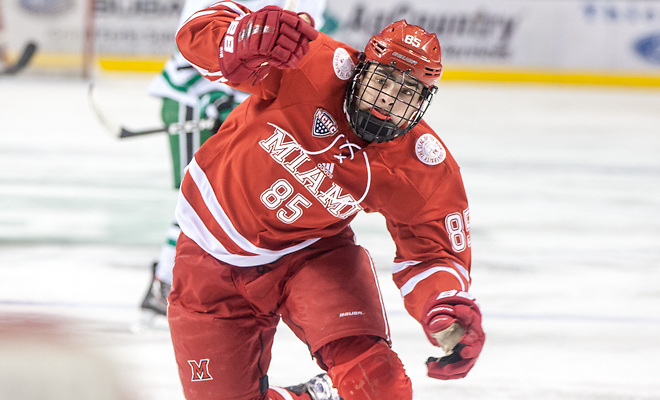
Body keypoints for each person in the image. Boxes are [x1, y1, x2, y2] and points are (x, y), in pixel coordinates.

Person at [169, 2, 486, 399]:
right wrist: (240, 38)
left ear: (424, 100)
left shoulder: (420, 164)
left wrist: (444, 307)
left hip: (310, 257)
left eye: (407, 91)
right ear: (361, 69)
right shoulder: (309, 63)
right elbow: (196, 37)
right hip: (208, 258)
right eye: (383, 80)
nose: (388, 98)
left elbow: (434, 255)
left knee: (379, 387)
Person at [141, 0, 327, 316]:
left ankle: (180, 277)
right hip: (192, 98)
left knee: (232, 198)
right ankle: (164, 279)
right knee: (200, 197)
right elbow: (192, 43)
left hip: (244, 104)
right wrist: (216, 102)